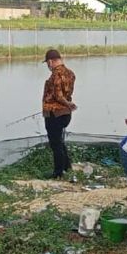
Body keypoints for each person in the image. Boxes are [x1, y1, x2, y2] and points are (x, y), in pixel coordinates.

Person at [41, 49, 76, 179]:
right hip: (66, 114)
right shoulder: (71, 73)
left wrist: (67, 103)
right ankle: (67, 166)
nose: (48, 66)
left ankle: (58, 173)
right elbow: (66, 93)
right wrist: (69, 104)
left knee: (55, 144)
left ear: (50, 61)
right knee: (59, 141)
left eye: (47, 63)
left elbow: (58, 95)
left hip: (54, 113)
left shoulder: (55, 75)